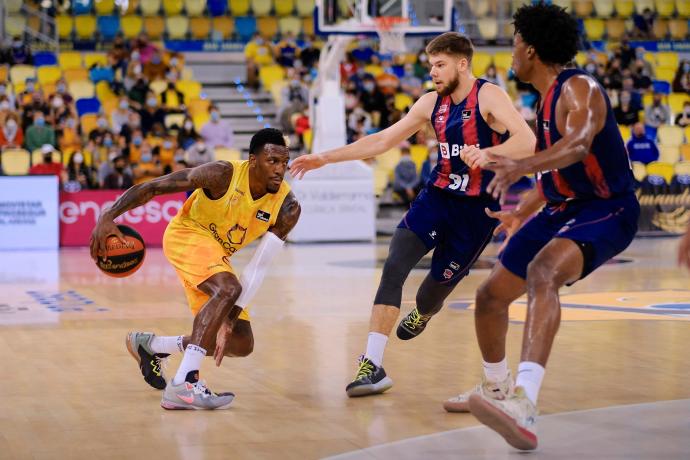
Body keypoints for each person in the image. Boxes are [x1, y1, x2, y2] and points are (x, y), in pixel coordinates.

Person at [290, 32, 535, 397]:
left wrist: (488, 154)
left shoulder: (488, 95)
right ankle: (371, 364)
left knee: (431, 293)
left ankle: (423, 312)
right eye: (430, 65)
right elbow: (382, 140)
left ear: (461, 64)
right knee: (395, 263)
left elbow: (527, 141)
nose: (433, 72)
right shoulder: (430, 103)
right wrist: (324, 157)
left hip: (475, 212)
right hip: (436, 197)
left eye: (440, 64)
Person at [447, 4, 639, 450]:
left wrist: (520, 165)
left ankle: (524, 405)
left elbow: (578, 146)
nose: (511, 52)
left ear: (530, 50)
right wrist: (521, 212)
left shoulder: (580, 88)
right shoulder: (545, 103)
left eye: (514, 42)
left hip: (607, 207)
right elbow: (556, 175)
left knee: (543, 272)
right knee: (489, 296)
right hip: (561, 206)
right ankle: (495, 388)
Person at [90, 128, 300, 410]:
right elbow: (154, 186)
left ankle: (152, 346)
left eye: (284, 162)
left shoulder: (288, 207)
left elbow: (258, 266)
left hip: (218, 256)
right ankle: (183, 384)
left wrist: (230, 317)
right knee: (228, 288)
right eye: (272, 161)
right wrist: (108, 214)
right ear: (253, 161)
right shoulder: (222, 174)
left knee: (240, 341)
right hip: (186, 234)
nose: (280, 169)